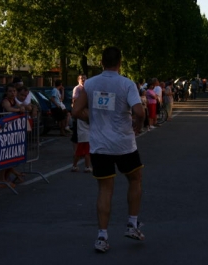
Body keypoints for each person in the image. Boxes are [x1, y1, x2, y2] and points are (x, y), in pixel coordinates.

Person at [72, 46, 145, 253]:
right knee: (135, 178)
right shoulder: (126, 84)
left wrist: (90, 117)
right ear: (120, 62)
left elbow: (76, 110)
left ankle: (102, 237)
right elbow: (139, 110)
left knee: (105, 189)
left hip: (99, 145)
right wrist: (139, 123)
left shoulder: (91, 83)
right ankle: (132, 223)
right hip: (123, 144)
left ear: (101, 62)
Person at [0, 83, 26, 186]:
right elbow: (9, 109)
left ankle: (6, 177)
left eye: (14, 91)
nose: (12, 93)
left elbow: (21, 107)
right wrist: (19, 110)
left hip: (11, 132)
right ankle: (1, 179)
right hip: (3, 132)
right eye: (10, 91)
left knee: (11, 156)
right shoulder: (5, 101)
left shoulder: (15, 100)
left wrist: (23, 108)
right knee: (5, 156)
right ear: (6, 92)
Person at [71, 74, 88, 172]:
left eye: (85, 78)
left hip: (86, 114)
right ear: (78, 80)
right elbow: (75, 100)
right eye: (82, 79)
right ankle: (77, 156)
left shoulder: (88, 88)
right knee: (77, 136)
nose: (83, 80)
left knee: (86, 140)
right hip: (80, 114)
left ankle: (86, 165)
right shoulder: (78, 89)